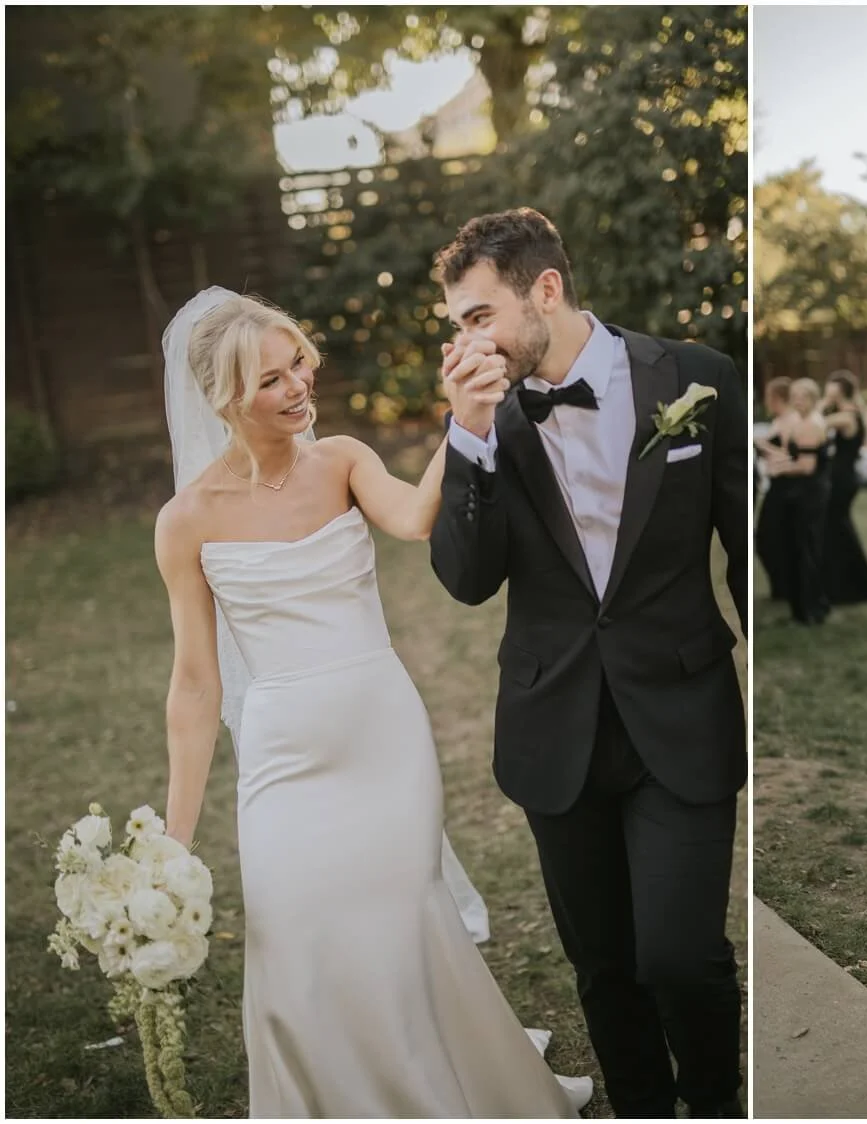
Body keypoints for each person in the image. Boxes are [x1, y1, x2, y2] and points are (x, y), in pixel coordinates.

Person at [154, 289, 589, 1117]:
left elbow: (418, 517)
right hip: (283, 757)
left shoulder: (342, 460)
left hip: (383, 735)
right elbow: (197, 683)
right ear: (223, 399)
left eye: (298, 365)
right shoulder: (185, 521)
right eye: (269, 380)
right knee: (291, 935)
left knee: (399, 922)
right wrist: (176, 840)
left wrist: (464, 420)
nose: (297, 388)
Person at [430, 209, 748, 1118]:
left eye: (480, 317)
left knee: (680, 957)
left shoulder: (696, 377)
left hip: (680, 713)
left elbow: (743, 547)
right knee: (604, 967)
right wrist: (469, 437)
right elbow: (465, 580)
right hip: (555, 725)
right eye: (457, 325)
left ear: (546, 290)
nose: (467, 342)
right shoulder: (485, 418)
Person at [763, 378, 833, 625]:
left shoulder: (811, 425)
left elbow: (806, 466)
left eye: (803, 396)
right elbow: (793, 456)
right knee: (799, 548)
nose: (798, 401)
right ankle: (805, 606)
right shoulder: (801, 422)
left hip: (809, 494)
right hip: (803, 492)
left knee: (805, 549)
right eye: (794, 396)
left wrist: (778, 470)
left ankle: (808, 610)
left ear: (813, 398)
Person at [820, 371, 867, 605]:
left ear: (839, 390)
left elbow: (816, 422)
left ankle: (852, 588)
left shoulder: (848, 415)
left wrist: (823, 403)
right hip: (840, 476)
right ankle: (845, 586)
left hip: (842, 478)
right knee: (837, 528)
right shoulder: (847, 412)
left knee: (837, 528)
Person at [754, 377, 795, 601]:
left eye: (768, 396)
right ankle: (781, 586)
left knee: (769, 537)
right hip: (775, 483)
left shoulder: (790, 421)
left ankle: (785, 586)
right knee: (767, 537)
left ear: (777, 397)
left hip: (786, 484)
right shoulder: (778, 420)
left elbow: (790, 455)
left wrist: (762, 445)